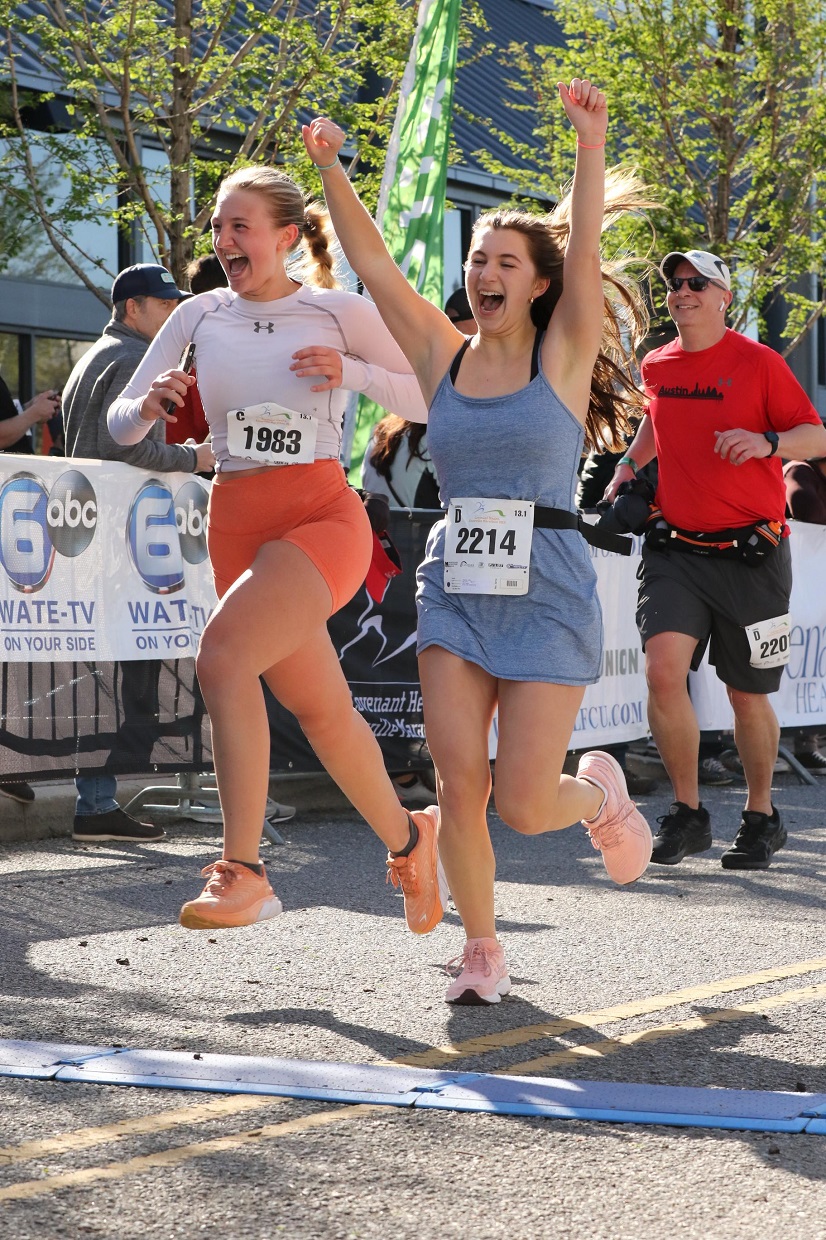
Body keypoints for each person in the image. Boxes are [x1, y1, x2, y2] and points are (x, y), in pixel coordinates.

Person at [303, 76, 654, 1006]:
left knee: (525, 803)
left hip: (547, 582)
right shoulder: (440, 355)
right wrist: (333, 166)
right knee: (461, 785)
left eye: (504, 262)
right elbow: (375, 268)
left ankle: (602, 798)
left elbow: (588, 256)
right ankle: (483, 950)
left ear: (535, 284)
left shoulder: (565, 350)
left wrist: (589, 141)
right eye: (476, 259)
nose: (483, 273)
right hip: (457, 580)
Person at [106, 164, 446, 936]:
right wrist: (150, 404)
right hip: (236, 520)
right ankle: (409, 838)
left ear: (286, 237)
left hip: (321, 515)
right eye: (219, 227)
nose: (226, 240)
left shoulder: (336, 311)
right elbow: (120, 427)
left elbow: (434, 394)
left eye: (242, 226)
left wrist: (352, 372)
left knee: (222, 657)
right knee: (324, 712)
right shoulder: (198, 315)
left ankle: (245, 871)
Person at [604, 249, 826, 870]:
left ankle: (761, 816)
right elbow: (657, 417)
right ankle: (688, 811)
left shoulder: (761, 364)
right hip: (677, 549)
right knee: (662, 672)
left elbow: (818, 435)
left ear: (724, 296)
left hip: (751, 555)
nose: (682, 292)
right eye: (674, 285)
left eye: (696, 283)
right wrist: (628, 466)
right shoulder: (658, 363)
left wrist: (768, 442)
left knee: (746, 695)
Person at [62, 262, 215, 843]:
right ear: (133, 309)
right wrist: (195, 459)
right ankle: (96, 804)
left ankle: (95, 803)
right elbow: (127, 450)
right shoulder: (130, 360)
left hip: (96, 536)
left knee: (115, 675)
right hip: (122, 544)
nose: (175, 312)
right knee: (132, 679)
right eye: (164, 303)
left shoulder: (96, 355)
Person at [783, 455, 826, 772]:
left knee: (811, 662)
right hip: (790, 586)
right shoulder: (800, 471)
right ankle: (731, 744)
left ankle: (807, 744)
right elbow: (805, 508)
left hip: (811, 588)